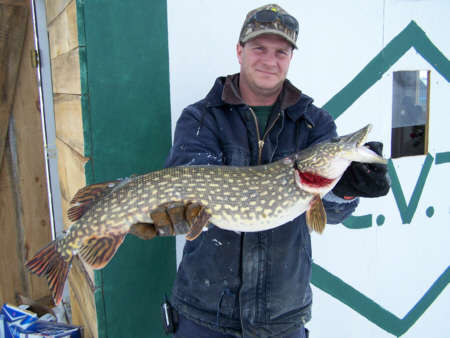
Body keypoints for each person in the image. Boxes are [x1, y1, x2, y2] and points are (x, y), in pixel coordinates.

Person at [163, 4, 390, 337]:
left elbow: (333, 212)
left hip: (282, 318)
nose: (270, 60)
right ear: (239, 51)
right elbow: (185, 198)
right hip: (204, 313)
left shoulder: (315, 123)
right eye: (259, 48)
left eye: (281, 52)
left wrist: (346, 188)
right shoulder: (202, 118)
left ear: (290, 58)